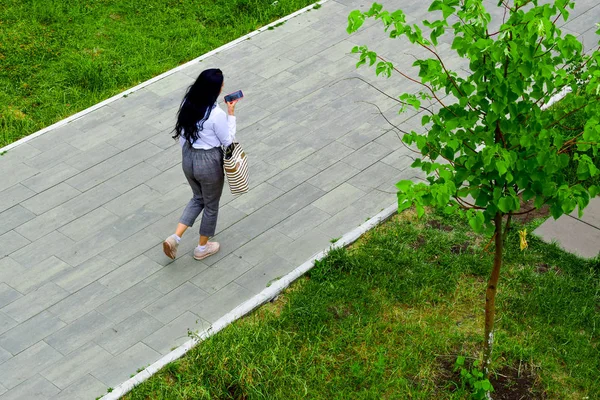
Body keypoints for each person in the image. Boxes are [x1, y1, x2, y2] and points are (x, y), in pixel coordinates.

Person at [162, 68, 238, 261]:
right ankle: (202, 248)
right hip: (209, 162)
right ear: (215, 89)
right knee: (211, 205)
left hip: (188, 157)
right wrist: (231, 113)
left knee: (198, 197)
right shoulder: (216, 114)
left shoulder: (188, 103)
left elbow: (182, 136)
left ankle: (175, 237)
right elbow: (228, 141)